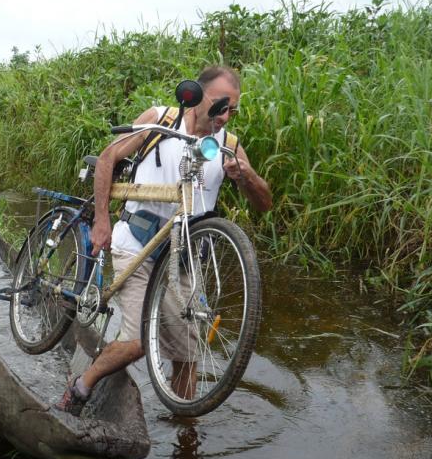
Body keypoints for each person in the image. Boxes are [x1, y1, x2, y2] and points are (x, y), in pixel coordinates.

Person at [56, 66, 272, 415]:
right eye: (220, 106)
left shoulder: (228, 145)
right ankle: (82, 385)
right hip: (138, 241)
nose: (225, 116)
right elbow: (108, 158)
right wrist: (101, 219)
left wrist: (246, 176)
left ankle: (185, 427)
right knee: (139, 340)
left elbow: (264, 203)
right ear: (197, 97)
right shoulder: (162, 120)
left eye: (233, 110)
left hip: (184, 253)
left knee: (189, 353)